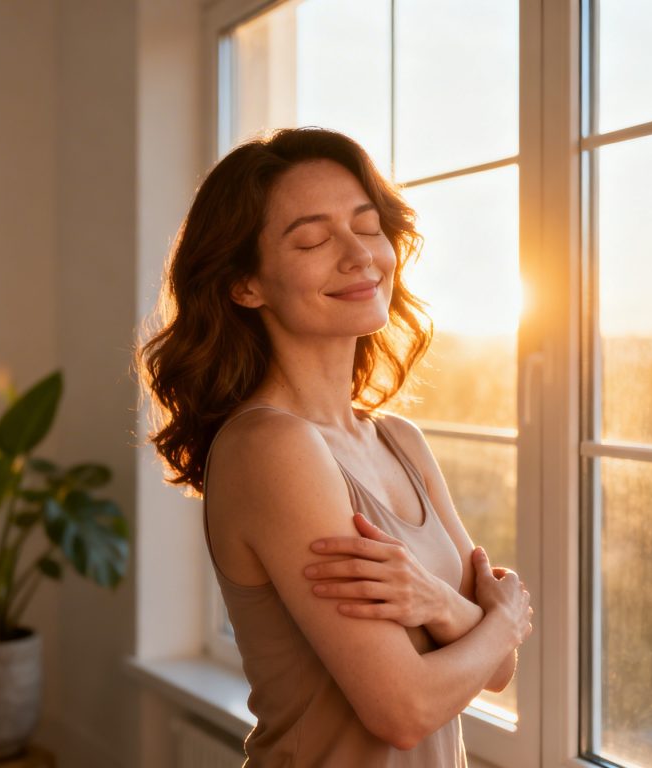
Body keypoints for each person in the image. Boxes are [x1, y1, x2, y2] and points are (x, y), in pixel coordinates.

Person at [140, 127, 533, 766]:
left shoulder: (398, 440)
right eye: (314, 239)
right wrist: (503, 620)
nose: (359, 256)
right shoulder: (271, 447)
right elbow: (403, 710)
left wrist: (437, 601)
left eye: (367, 226)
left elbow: (496, 671)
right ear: (246, 284)